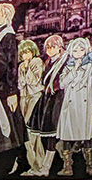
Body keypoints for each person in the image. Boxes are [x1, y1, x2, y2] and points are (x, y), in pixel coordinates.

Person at [0, 3, 29, 178]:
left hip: (4, 90)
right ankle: (20, 160)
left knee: (12, 124)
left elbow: (11, 66)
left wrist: (12, 92)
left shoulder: (9, 37)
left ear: (5, 16)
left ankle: (19, 160)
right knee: (6, 124)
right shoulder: (0, 37)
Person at [55, 37, 92, 177]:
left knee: (86, 137)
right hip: (70, 104)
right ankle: (67, 165)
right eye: (75, 50)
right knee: (67, 136)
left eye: (81, 49)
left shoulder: (90, 67)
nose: (78, 52)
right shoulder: (68, 67)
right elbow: (62, 84)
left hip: (84, 104)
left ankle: (90, 165)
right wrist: (74, 69)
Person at [26, 34, 67, 172]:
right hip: (47, 98)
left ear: (60, 47)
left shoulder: (64, 61)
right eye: (48, 47)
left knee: (52, 134)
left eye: (53, 47)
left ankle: (47, 166)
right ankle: (46, 165)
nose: (50, 50)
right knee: (44, 133)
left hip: (58, 99)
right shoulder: (48, 62)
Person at [15, 40, 55, 176]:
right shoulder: (21, 66)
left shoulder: (37, 62)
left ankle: (37, 166)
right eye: (23, 53)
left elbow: (34, 81)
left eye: (27, 52)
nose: (25, 55)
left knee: (30, 133)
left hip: (36, 97)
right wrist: (24, 69)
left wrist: (27, 68)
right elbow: (20, 84)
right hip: (24, 97)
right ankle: (37, 166)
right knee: (30, 134)